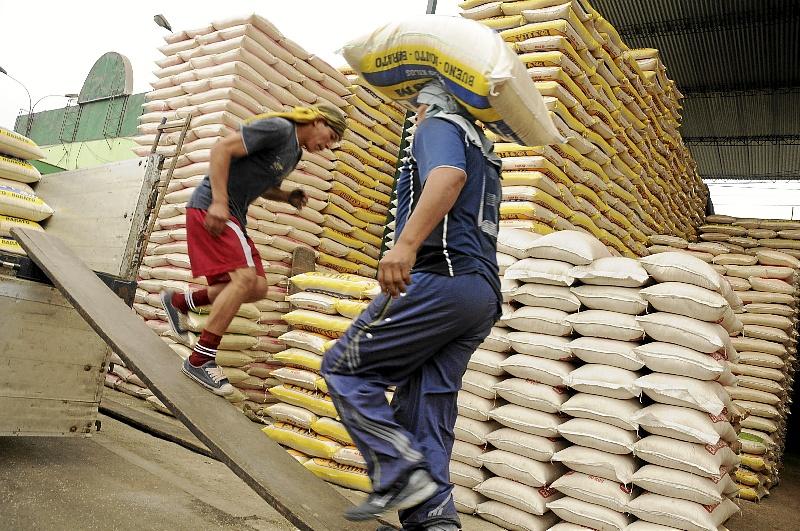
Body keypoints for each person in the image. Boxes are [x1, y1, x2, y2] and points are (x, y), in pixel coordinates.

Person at [321, 80, 503, 530]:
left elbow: (447, 177)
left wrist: (404, 246)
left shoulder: (439, 126)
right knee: (427, 404)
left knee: (346, 367)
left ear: (430, 104)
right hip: (479, 293)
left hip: (441, 278)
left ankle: (402, 476)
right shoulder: (484, 148)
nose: (414, 116)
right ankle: (434, 518)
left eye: (415, 106)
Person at [161, 105, 347, 396]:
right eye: (331, 135)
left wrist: (286, 196)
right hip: (213, 206)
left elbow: (262, 183)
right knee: (244, 280)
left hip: (234, 214)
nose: (328, 145)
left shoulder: (294, 153)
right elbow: (222, 149)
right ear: (318, 120)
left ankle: (182, 302)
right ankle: (200, 359)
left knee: (257, 287)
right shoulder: (279, 128)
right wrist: (219, 201)